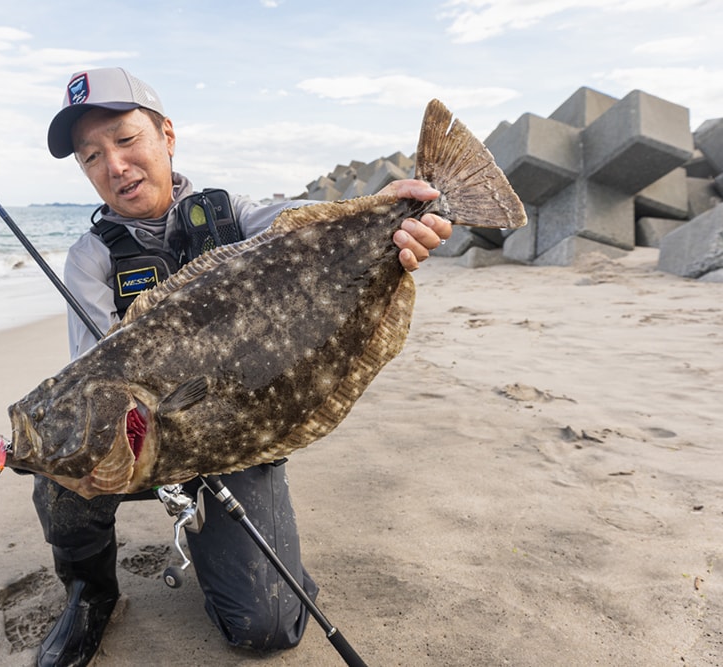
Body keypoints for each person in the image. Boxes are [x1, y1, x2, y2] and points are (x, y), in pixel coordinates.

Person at [33, 67, 452, 667]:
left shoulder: (234, 216)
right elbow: (94, 378)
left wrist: (388, 216)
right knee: (62, 455)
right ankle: (89, 590)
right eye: (91, 156)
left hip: (237, 437)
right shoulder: (90, 259)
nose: (115, 166)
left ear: (166, 136)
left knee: (267, 630)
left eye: (126, 141)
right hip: (146, 436)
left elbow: (302, 220)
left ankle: (243, 558)